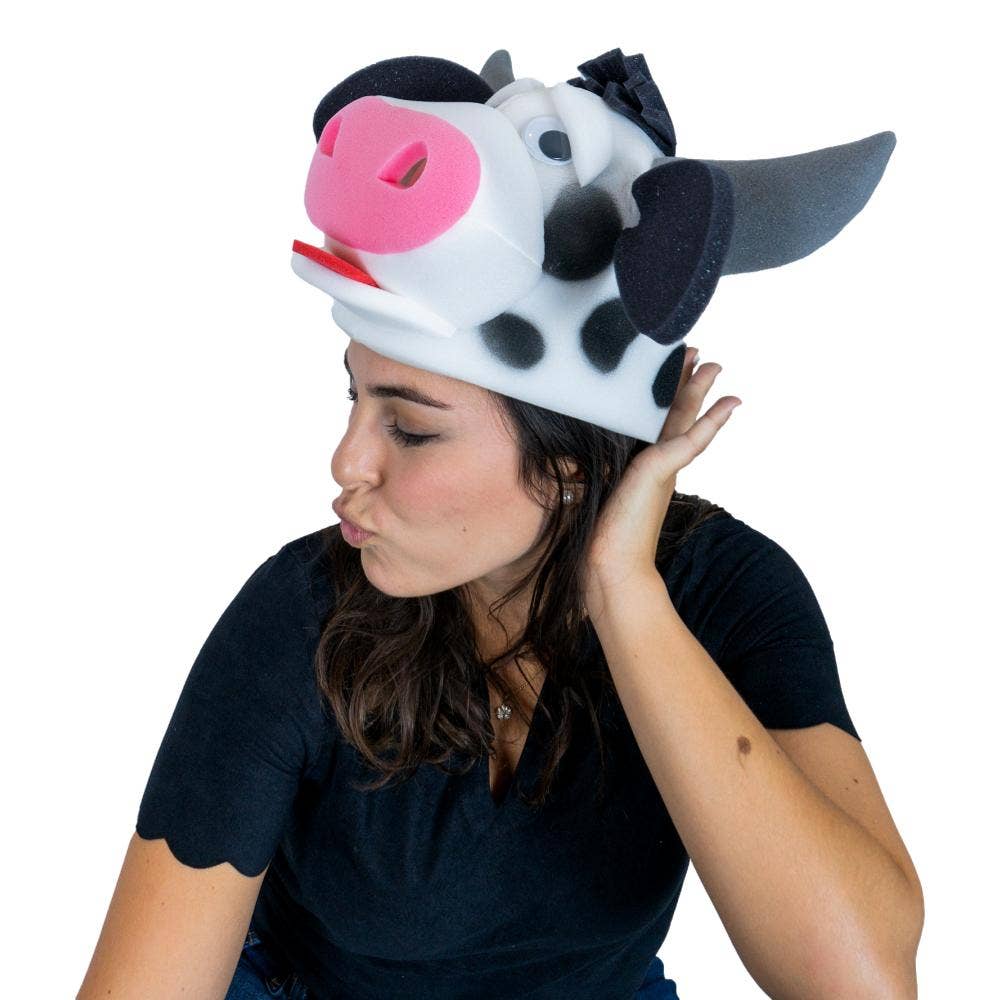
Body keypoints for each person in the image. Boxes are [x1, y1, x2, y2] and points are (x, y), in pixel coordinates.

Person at [78, 46, 922, 1000]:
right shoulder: (303, 614)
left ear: (567, 467)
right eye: (354, 398)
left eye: (410, 428)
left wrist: (626, 594)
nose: (347, 462)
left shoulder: (729, 596)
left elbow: (860, 982)